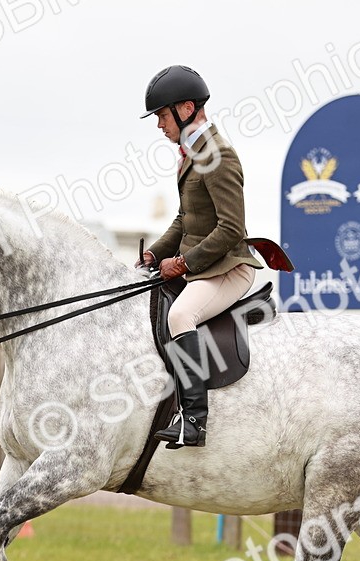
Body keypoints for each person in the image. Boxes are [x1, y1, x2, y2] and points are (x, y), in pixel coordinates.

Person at [137, 65, 263, 448]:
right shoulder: (193, 154)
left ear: (186, 108)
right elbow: (185, 218)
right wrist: (156, 253)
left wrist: (184, 263)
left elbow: (230, 229)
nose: (159, 124)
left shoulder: (218, 155)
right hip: (205, 266)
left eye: (162, 115)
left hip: (229, 267)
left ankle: (194, 421)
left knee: (180, 315)